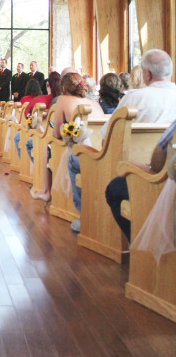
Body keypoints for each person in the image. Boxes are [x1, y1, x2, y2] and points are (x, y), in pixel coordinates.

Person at [69, 50, 176, 233]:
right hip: (170, 171)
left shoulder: (134, 98)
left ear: (147, 74)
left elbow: (105, 141)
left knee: (78, 160)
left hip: (133, 169)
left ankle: (89, 218)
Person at [33, 72, 104, 205]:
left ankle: (46, 190)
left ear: (64, 88)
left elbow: (56, 134)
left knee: (48, 144)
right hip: (100, 151)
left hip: (80, 152)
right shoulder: (94, 103)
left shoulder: (63, 100)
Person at [105, 119, 176, 242]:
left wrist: (148, 167)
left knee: (114, 188)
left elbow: (157, 163)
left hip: (170, 195)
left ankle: (139, 245)